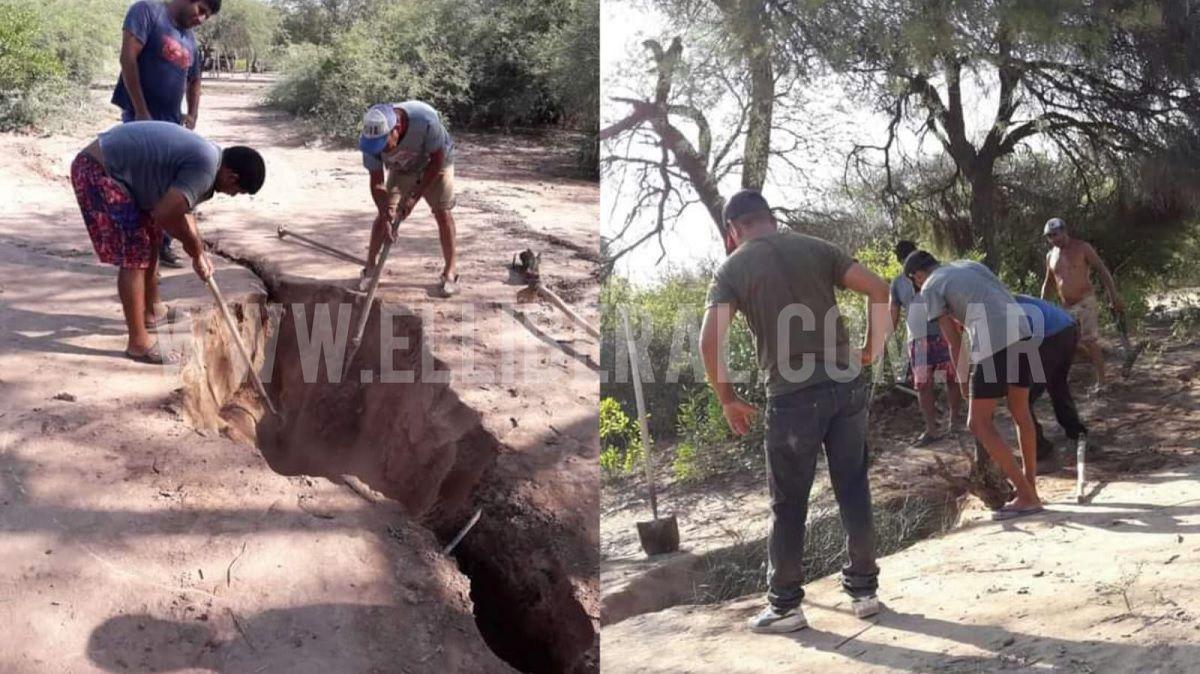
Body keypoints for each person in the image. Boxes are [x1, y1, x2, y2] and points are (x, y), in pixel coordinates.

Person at [699, 190, 892, 633]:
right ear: (769, 217)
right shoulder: (816, 247)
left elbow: (710, 341)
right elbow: (880, 289)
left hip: (792, 397)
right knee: (853, 486)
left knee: (788, 505)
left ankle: (785, 605)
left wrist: (727, 397)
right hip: (847, 387)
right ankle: (865, 592)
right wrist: (870, 349)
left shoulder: (732, 267)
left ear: (733, 231)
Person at [70, 121, 265, 364]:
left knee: (151, 237)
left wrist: (199, 251)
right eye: (237, 191)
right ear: (231, 176)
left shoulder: (209, 160)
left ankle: (153, 311)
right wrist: (194, 251)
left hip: (114, 171)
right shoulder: (205, 168)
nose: (232, 195)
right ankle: (138, 343)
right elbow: (165, 214)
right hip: (98, 172)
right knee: (135, 254)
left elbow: (184, 211)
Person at [905, 251, 1044, 520]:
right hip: (1023, 331)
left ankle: (1026, 496)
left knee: (977, 423)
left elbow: (954, 343)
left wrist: (963, 380)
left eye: (915, 282)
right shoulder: (968, 265)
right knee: (1020, 411)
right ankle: (1030, 489)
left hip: (994, 343)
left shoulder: (931, 286)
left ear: (917, 276)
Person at [112, 0, 220, 269]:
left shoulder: (190, 41)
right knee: (142, 185)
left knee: (170, 188)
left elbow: (194, 81)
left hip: (172, 123)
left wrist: (192, 114)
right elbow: (128, 57)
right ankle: (138, 253)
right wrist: (140, 110)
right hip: (140, 119)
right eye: (201, 10)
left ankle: (161, 247)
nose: (201, 19)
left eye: (207, 16)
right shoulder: (148, 12)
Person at [359, 101, 459, 297]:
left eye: (384, 144)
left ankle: (450, 272)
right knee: (383, 218)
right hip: (402, 167)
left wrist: (414, 197)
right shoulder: (369, 140)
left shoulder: (425, 119)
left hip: (435, 164)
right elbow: (377, 183)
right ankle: (370, 268)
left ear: (396, 129)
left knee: (442, 212)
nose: (382, 150)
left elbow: (437, 161)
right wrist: (386, 213)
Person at [889, 240, 963, 444]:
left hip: (942, 332)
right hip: (918, 338)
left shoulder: (936, 276)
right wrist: (888, 336)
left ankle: (954, 422)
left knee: (952, 378)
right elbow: (893, 311)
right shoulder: (897, 283)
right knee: (923, 384)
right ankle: (932, 429)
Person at [1041, 217, 1125, 394]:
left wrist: (1113, 295)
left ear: (1064, 231)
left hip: (1085, 300)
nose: (1054, 239)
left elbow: (1102, 270)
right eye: (1050, 236)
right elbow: (1048, 283)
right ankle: (1088, 367)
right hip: (1066, 306)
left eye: (1056, 234)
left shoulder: (1082, 248)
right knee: (1067, 342)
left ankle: (1102, 382)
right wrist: (1041, 307)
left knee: (1089, 340)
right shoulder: (1051, 255)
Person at [1014, 294, 1089, 474]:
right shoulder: (1008, 298)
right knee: (1057, 384)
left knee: (1020, 400)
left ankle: (1042, 452)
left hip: (1049, 335)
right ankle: (1075, 431)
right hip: (1067, 328)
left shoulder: (993, 309)